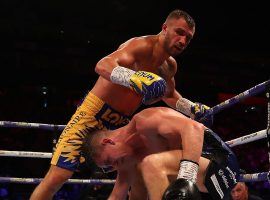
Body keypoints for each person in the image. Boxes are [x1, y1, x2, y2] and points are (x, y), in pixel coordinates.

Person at [30, 9, 212, 199]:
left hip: (120, 124)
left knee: (131, 177)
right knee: (59, 175)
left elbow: (169, 94)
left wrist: (190, 107)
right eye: (179, 32)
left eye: (188, 38)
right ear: (165, 28)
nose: (182, 41)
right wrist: (134, 77)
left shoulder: (169, 66)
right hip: (92, 114)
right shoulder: (140, 46)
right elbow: (102, 65)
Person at [84, 107, 240, 200]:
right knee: (137, 186)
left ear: (108, 142)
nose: (113, 166)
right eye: (108, 167)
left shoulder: (145, 122)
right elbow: (117, 196)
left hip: (221, 163)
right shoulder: (128, 159)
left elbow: (195, 128)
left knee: (150, 164)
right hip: (205, 183)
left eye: (109, 161)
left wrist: (186, 179)